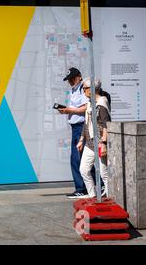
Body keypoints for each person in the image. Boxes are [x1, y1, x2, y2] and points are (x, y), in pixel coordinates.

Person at [58, 68, 89, 199]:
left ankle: (82, 189)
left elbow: (87, 107)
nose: (70, 81)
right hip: (75, 128)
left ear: (79, 77)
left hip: (81, 127)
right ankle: (84, 188)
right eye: (69, 79)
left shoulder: (83, 89)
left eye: (72, 78)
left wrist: (71, 110)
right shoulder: (74, 89)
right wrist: (66, 110)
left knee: (78, 158)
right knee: (78, 158)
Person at [77, 78, 111, 199]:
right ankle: (92, 196)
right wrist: (81, 139)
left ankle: (109, 196)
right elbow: (86, 124)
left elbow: (106, 123)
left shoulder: (101, 102)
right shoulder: (90, 103)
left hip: (99, 142)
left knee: (104, 173)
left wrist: (103, 142)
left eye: (84, 88)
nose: (83, 91)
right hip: (90, 142)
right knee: (84, 170)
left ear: (91, 89)